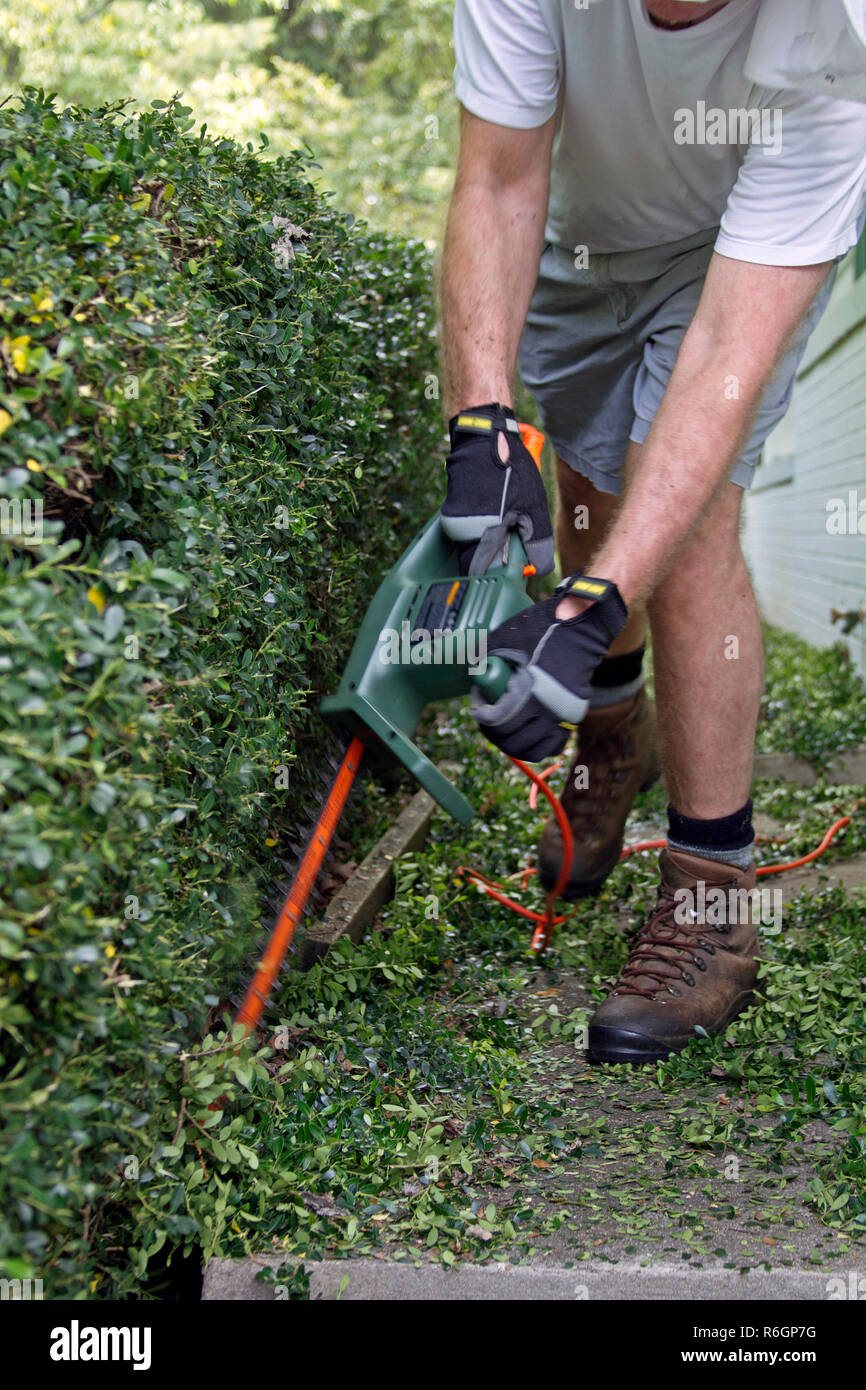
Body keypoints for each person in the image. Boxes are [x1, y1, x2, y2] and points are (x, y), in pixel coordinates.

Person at [439, 0, 866, 1063]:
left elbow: (723, 352)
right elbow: (494, 181)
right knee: (587, 495)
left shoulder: (836, 52)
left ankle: (711, 892)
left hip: (730, 254)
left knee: (681, 525)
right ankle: (612, 742)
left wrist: (586, 606)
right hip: (582, 236)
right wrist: (482, 428)